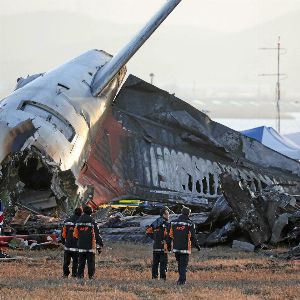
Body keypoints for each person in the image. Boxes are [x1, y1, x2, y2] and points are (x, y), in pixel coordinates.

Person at [169, 206, 200, 285]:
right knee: (183, 265)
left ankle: (180, 279)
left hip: (176, 248)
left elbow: (169, 235)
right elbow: (193, 236)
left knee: (180, 264)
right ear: (189, 214)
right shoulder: (190, 224)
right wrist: (197, 246)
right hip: (185, 248)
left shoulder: (173, 222)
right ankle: (182, 281)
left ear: (181, 213)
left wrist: (168, 245)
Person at [73, 205, 103, 279]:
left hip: (81, 246)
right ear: (91, 212)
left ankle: (80, 276)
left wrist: (81, 238)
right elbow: (97, 234)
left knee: (81, 263)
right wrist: (100, 244)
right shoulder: (92, 221)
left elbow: (75, 234)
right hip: (90, 246)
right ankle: (91, 276)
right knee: (91, 263)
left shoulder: (78, 221)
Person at [146, 206, 171, 280]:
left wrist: (155, 238)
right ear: (163, 214)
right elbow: (171, 235)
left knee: (155, 264)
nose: (168, 215)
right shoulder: (167, 224)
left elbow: (148, 231)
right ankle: (163, 279)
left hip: (155, 247)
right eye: (167, 214)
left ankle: (154, 278)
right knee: (163, 264)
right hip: (164, 248)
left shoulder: (155, 223)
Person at [61, 207, 82, 278]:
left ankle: (65, 274)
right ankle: (74, 274)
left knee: (66, 262)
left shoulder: (67, 221)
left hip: (68, 246)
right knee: (76, 262)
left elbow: (63, 233)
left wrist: (63, 241)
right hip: (77, 246)